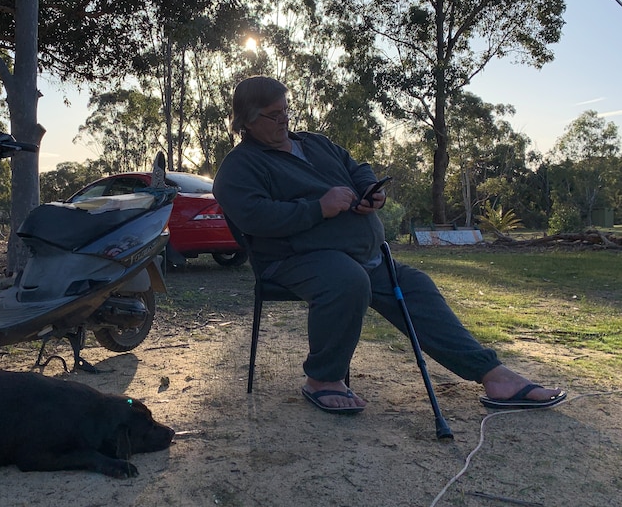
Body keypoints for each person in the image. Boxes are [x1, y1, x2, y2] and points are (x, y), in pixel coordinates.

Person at [212, 75, 566, 415]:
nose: (284, 120)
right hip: (294, 260)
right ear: (247, 120)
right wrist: (318, 208)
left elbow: (358, 167)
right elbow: (255, 218)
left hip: (365, 254)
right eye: (274, 115)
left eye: (286, 110)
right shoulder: (240, 167)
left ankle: (494, 376)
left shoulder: (314, 143)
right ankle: (322, 378)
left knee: (416, 287)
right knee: (347, 281)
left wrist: (371, 191)